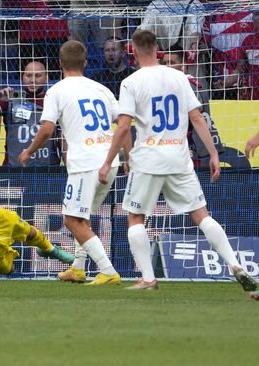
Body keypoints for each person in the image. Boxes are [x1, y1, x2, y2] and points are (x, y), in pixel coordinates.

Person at [98, 30, 257, 291]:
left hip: (148, 158)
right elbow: (197, 117)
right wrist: (214, 153)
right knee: (201, 215)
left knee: (135, 217)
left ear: (134, 52)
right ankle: (235, 264)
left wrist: (108, 161)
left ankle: (148, 278)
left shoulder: (130, 82)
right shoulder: (180, 77)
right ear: (157, 49)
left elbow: (124, 126)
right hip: (179, 157)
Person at [19, 40, 131, 285]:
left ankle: (108, 271)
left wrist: (28, 151)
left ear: (60, 64)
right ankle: (78, 268)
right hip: (109, 161)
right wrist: (127, 156)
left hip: (85, 163)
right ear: (86, 63)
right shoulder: (101, 89)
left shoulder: (56, 90)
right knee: (84, 217)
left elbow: (47, 129)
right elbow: (124, 123)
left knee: (71, 220)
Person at [0, 61, 63, 167]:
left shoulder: (54, 101)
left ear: (46, 78)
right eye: (28, 75)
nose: (32, 80)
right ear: (22, 77)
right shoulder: (11, 99)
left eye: (38, 76)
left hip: (47, 170)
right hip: (13, 169)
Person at [162, 47, 223, 166]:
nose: (167, 66)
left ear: (183, 65)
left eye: (172, 62)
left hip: (185, 147)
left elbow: (196, 116)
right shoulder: (157, 85)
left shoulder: (190, 85)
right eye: (164, 63)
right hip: (162, 147)